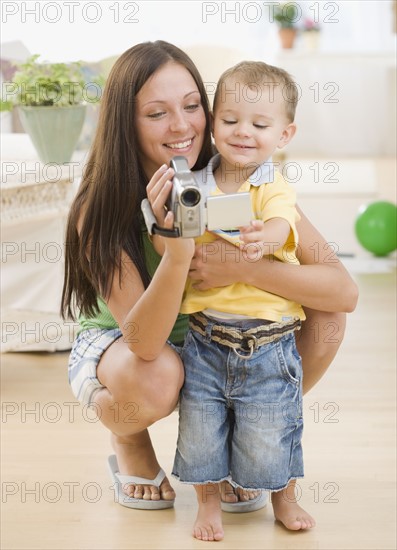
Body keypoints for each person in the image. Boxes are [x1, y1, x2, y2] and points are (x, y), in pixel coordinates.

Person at [61, 41, 358, 514]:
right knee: (160, 373)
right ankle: (128, 439)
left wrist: (244, 266)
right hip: (126, 347)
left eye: (193, 106)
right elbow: (143, 343)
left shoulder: (242, 179)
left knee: (327, 319)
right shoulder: (100, 207)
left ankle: (235, 438)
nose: (181, 126)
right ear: (125, 122)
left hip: (218, 340)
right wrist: (177, 256)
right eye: (157, 113)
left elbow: (343, 291)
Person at [171, 60, 314, 541]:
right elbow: (172, 242)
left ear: (285, 133)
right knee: (200, 431)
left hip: (269, 343)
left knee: (272, 430)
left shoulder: (271, 184)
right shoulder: (195, 183)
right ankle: (207, 504)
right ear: (212, 124)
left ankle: (284, 498)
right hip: (206, 338)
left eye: (259, 124)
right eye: (230, 120)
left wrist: (266, 239)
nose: (242, 133)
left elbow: (282, 220)